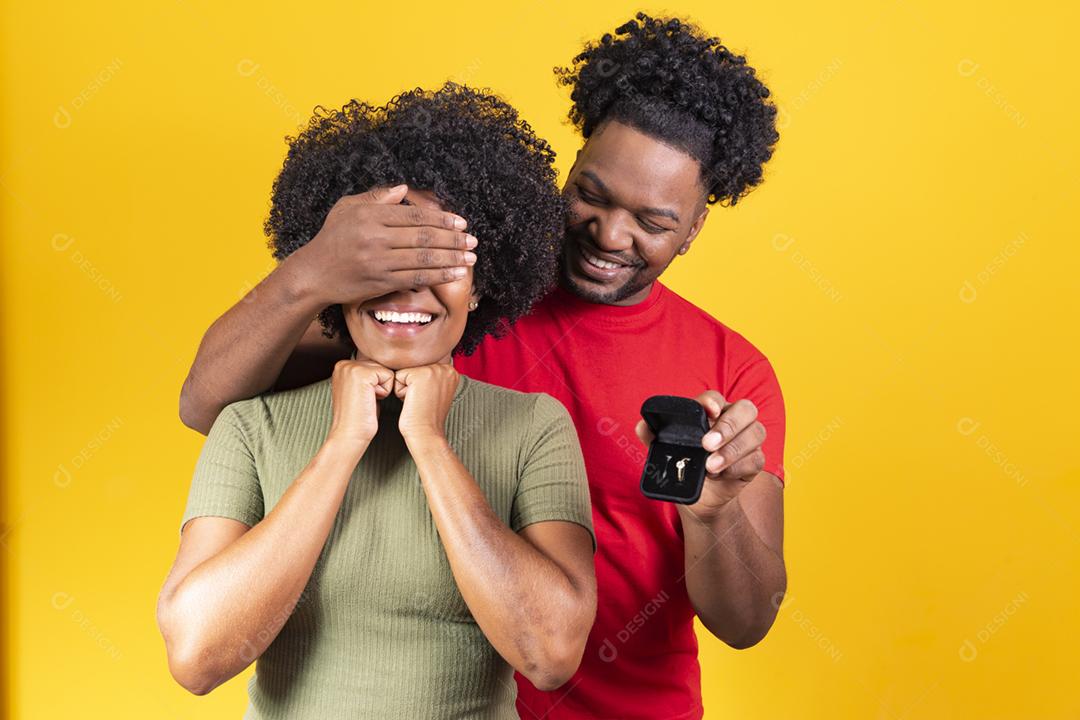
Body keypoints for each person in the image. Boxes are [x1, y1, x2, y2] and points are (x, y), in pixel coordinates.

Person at [178, 13, 787, 720]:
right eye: (591, 193)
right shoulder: (443, 306)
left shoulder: (729, 370)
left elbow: (747, 622)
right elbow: (208, 404)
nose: (609, 234)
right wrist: (311, 271)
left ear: (695, 225)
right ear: (571, 166)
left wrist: (713, 516)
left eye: (652, 222)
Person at [156, 83, 598, 719]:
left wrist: (430, 443)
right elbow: (197, 657)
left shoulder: (531, 426)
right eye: (383, 256)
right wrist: (341, 447)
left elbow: (549, 654)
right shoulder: (253, 424)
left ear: (481, 285)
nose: (410, 284)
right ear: (338, 279)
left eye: (442, 257)